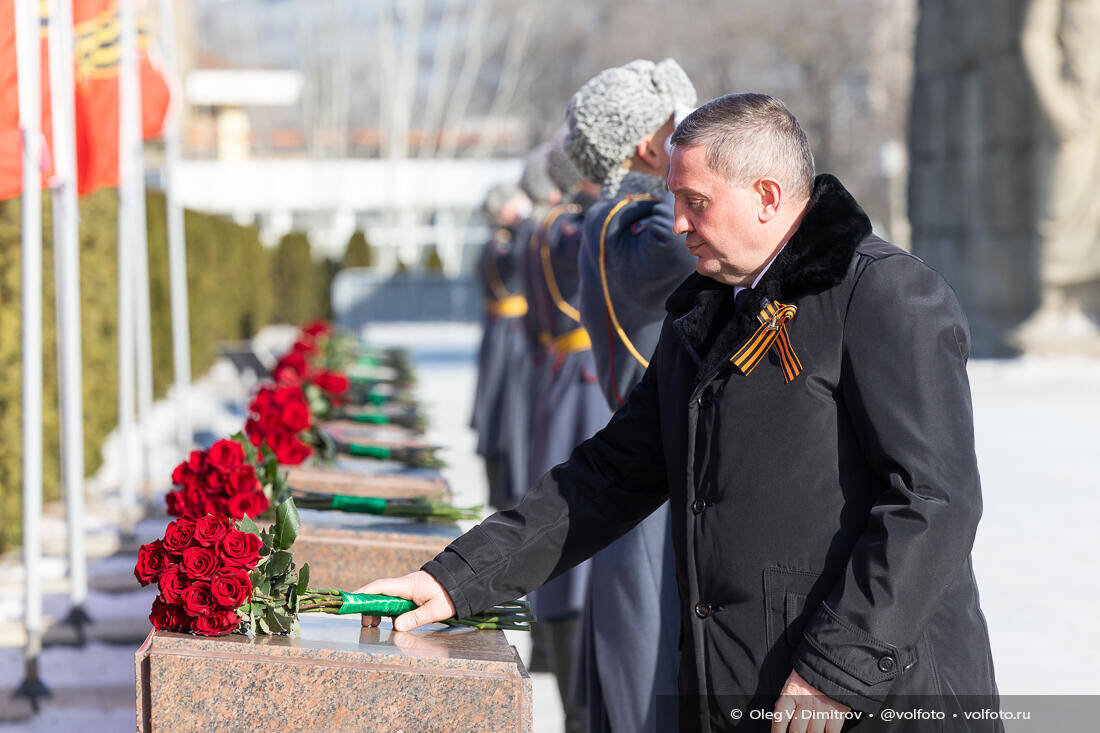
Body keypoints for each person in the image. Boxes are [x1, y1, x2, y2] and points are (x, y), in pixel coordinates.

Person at [359, 93, 1000, 732]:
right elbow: (611, 474)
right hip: (744, 686)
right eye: (675, 200)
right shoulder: (707, 310)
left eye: (696, 202)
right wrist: (459, 579)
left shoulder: (885, 294)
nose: (679, 224)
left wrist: (838, 670)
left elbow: (933, 501)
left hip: (873, 699)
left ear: (767, 197)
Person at [469, 182, 532, 510]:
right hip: (512, 338)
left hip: (505, 335)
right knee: (509, 415)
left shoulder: (500, 239)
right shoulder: (504, 242)